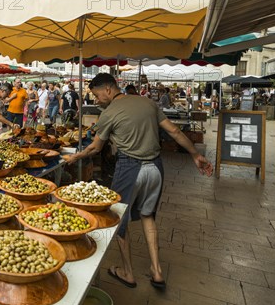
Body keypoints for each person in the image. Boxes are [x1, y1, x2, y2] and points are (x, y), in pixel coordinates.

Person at [65, 74, 212, 290]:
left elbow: (95, 147)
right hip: (156, 168)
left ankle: (127, 272)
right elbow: (174, 130)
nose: (96, 100)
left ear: (108, 89)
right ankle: (157, 270)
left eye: (96, 95)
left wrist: (74, 157)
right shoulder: (148, 102)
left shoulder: (110, 112)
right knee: (148, 215)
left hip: (130, 167)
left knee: (118, 219)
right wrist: (195, 155)